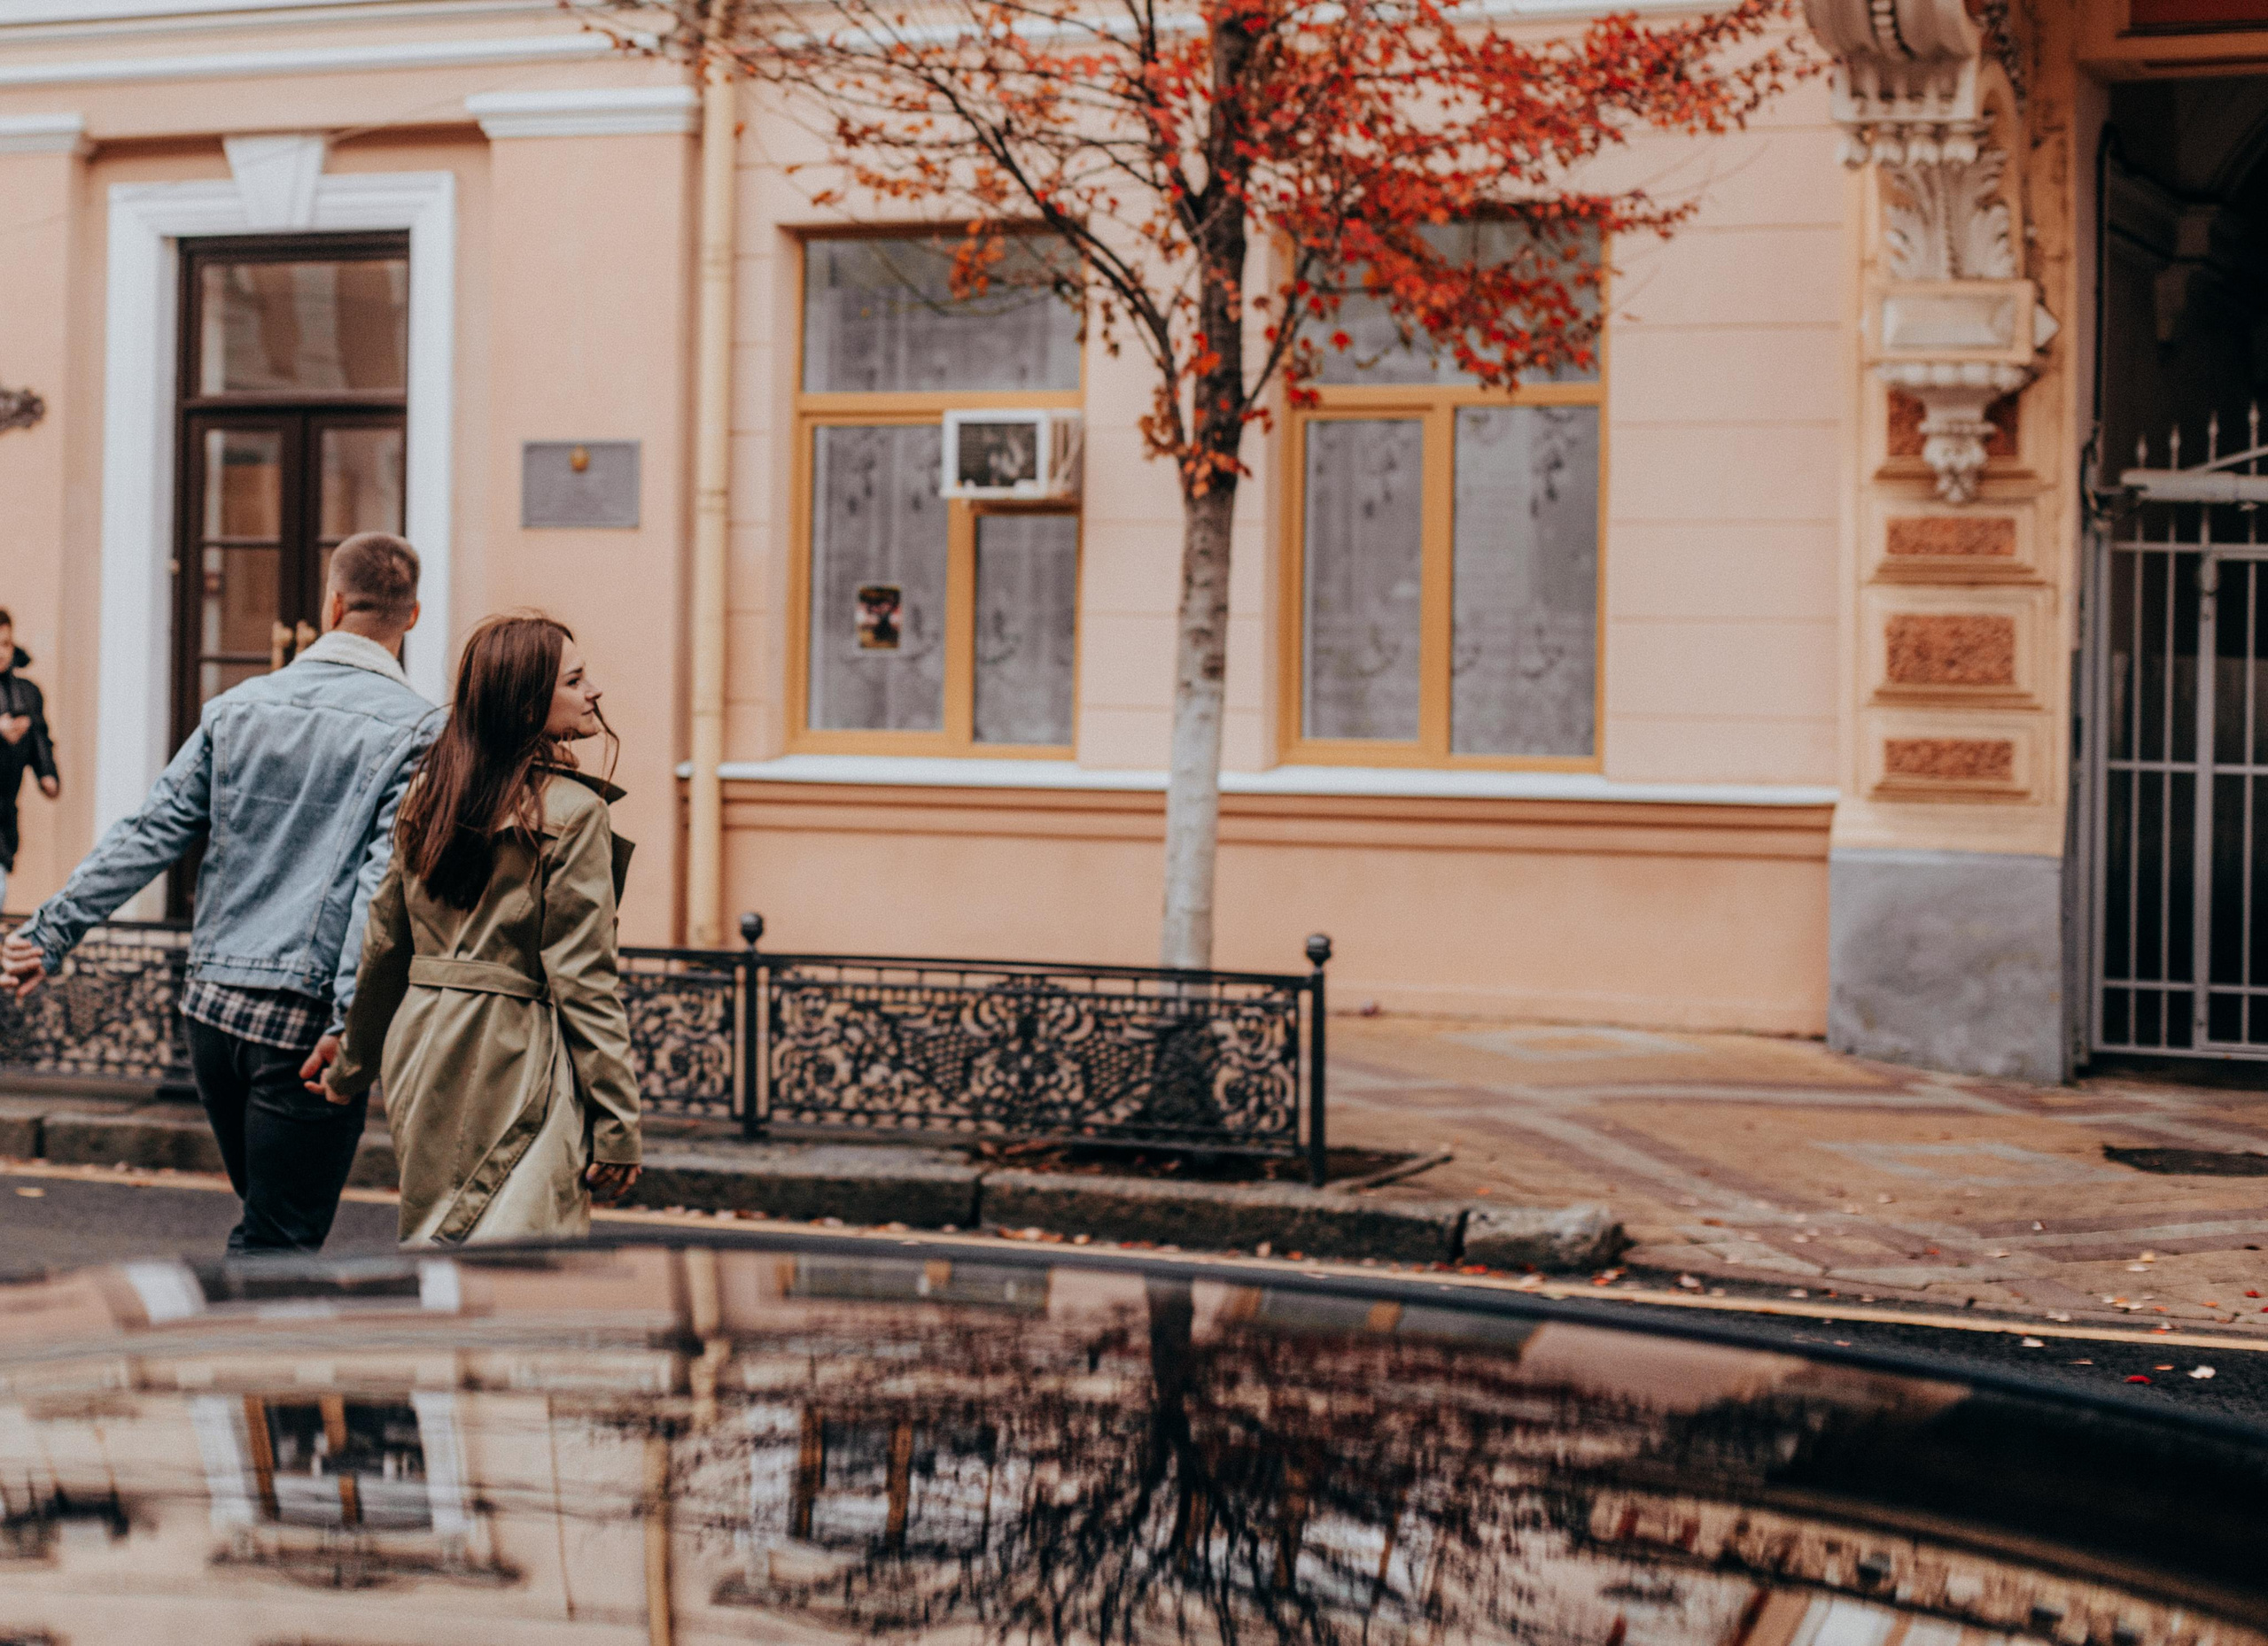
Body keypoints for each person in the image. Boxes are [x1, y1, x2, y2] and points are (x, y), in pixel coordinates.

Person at [1, 534, 439, 1255]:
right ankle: (231, 1358)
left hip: (211, 1017)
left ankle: (252, 1360)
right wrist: (350, 1021)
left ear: (331, 604)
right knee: (277, 1242)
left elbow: (150, 831)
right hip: (303, 1030)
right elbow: (381, 888)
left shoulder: (239, 706)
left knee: (270, 1223)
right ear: (412, 617)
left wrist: (48, 935)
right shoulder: (420, 730)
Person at [322, 613, 641, 1244]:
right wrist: (618, 1121)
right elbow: (584, 977)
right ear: (527, 707)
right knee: (523, 1259)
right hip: (515, 1051)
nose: (594, 691)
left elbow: (385, 945)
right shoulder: (575, 815)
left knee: (442, 1239)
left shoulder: (428, 796)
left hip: (423, 1045)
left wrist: (351, 1067)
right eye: (575, 680)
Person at [0, 609, 60, 915]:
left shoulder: (26, 693)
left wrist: (47, 775)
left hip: (3, 815)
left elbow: (40, 739)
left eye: (6, 644)